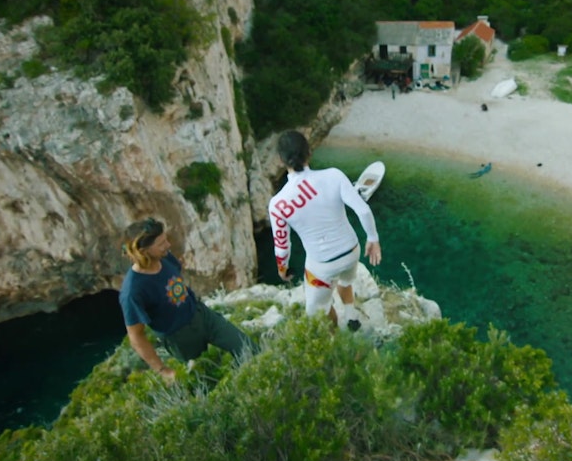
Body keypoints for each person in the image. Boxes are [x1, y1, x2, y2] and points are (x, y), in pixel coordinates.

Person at [268, 130, 382, 327]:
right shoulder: (333, 175)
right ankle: (351, 316)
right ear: (309, 153)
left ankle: (333, 339)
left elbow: (283, 246)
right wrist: (373, 238)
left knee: (317, 310)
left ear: (280, 160)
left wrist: (282, 269)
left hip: (322, 265)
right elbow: (363, 210)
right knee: (346, 282)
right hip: (351, 251)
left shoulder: (278, 204)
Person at [119, 217, 253, 381]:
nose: (168, 245)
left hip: (201, 315)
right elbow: (136, 336)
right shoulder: (133, 291)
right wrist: (162, 370)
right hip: (180, 338)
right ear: (144, 251)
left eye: (165, 240)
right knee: (203, 380)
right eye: (161, 244)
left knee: (247, 347)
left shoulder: (164, 257)